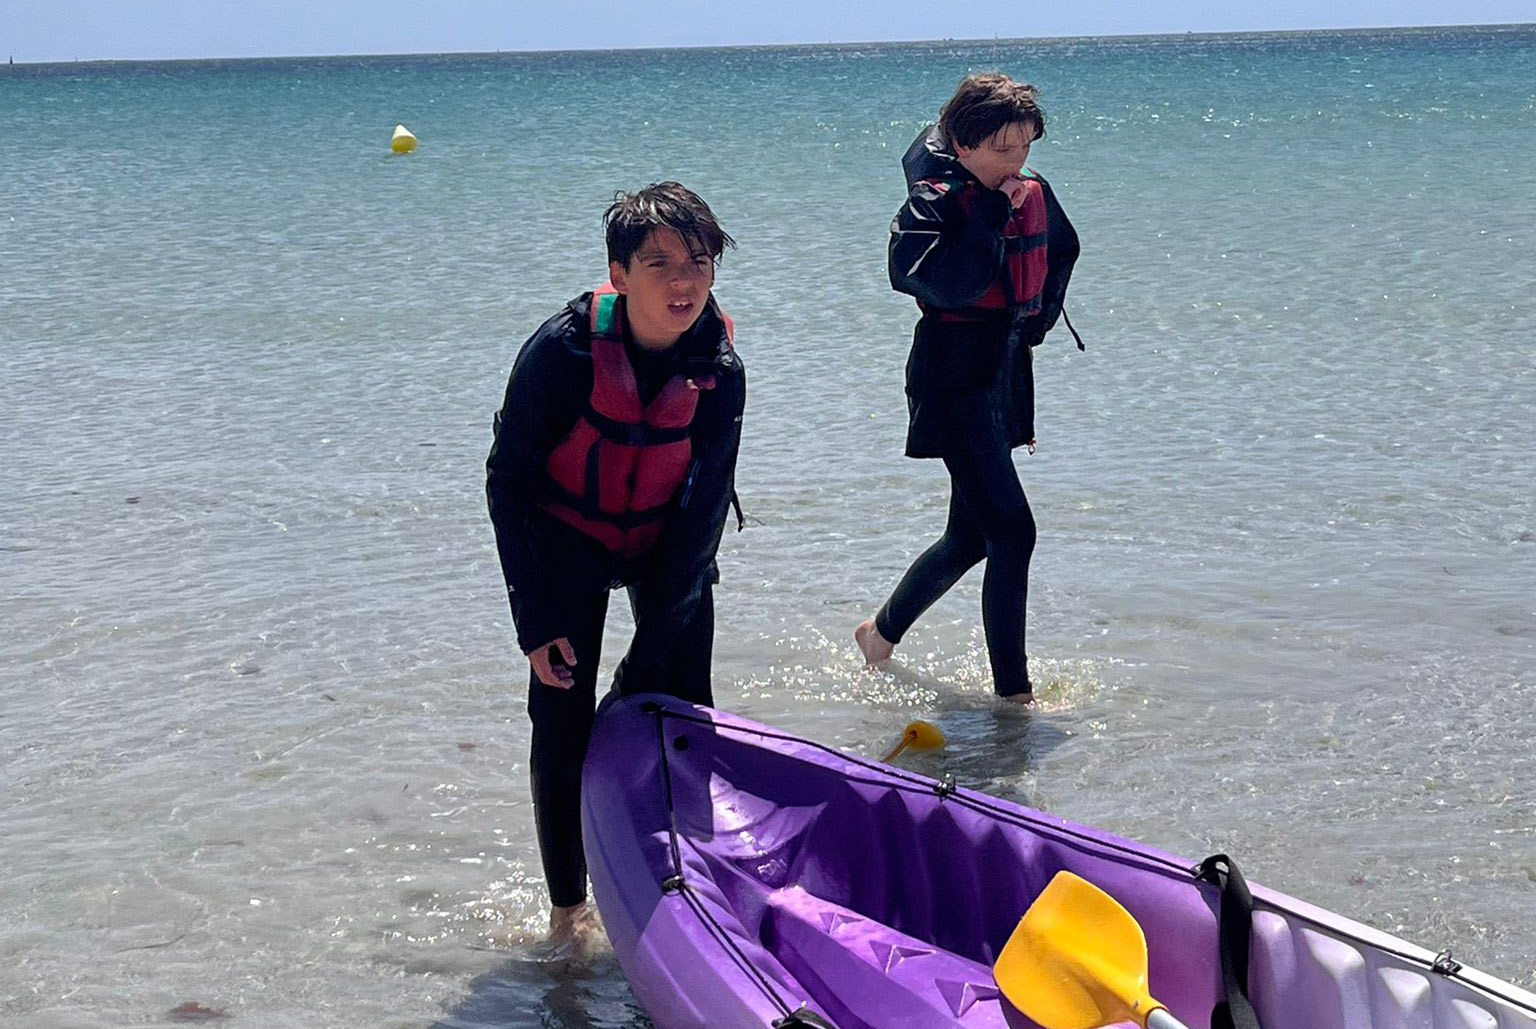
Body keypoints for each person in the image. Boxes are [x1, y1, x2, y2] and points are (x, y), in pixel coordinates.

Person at [485, 182, 744, 946]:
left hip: (668, 543)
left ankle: (689, 883)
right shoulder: (561, 352)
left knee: (683, 713)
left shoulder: (719, 368)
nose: (682, 280)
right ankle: (569, 910)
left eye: (698, 261)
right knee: (561, 722)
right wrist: (533, 621)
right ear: (618, 273)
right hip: (567, 537)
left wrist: (654, 645)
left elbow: (705, 512)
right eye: (658, 262)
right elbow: (507, 482)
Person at [855, 73, 1082, 704]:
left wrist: (1034, 320)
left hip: (1003, 368)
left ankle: (879, 635)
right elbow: (940, 283)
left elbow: (1062, 249)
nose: (1017, 163)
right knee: (1013, 531)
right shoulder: (931, 203)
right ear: (961, 143)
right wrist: (986, 216)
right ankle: (1014, 695)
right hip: (951, 374)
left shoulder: (1028, 190)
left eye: (1025, 147)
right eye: (1002, 150)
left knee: (971, 535)